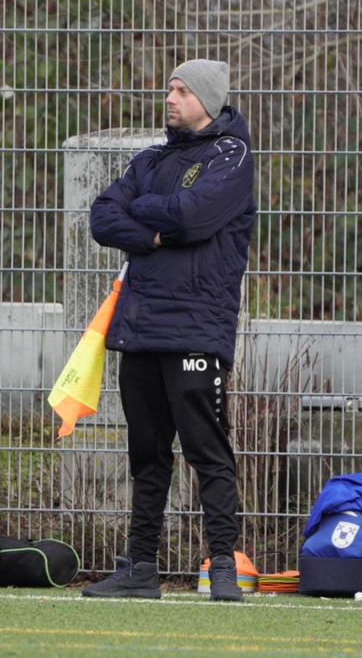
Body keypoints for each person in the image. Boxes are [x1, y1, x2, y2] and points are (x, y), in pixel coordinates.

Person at [82, 59, 256, 601]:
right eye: (170, 88)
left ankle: (223, 566)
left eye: (182, 90)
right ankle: (140, 568)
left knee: (208, 452)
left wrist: (144, 212)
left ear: (208, 100)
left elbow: (192, 216)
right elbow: (102, 217)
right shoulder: (150, 159)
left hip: (197, 330)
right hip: (140, 329)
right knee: (147, 455)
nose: (170, 97)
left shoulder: (232, 156)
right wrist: (155, 234)